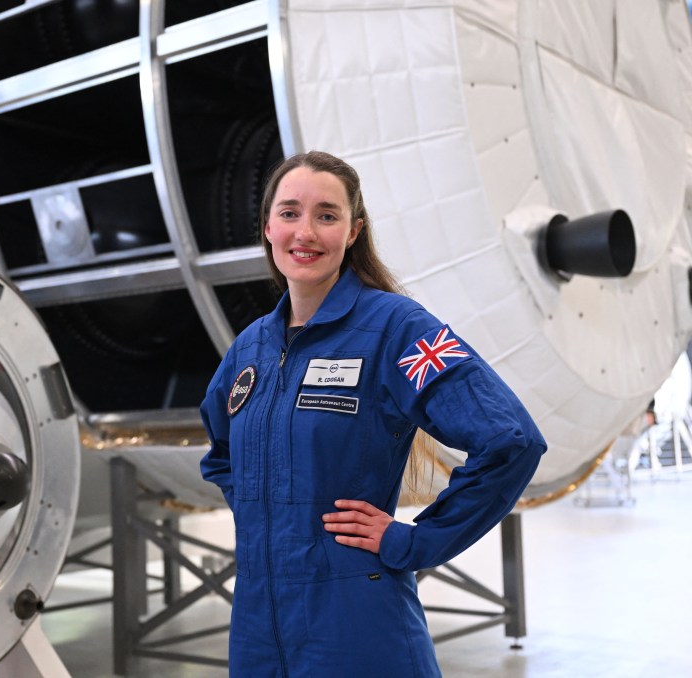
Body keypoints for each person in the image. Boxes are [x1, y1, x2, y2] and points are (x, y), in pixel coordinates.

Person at [199, 150, 546, 677]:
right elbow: (222, 456)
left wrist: (416, 540)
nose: (306, 232)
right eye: (290, 213)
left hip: (355, 627)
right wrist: (267, 516)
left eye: (328, 216)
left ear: (354, 231)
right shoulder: (249, 350)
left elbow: (511, 440)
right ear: (267, 227)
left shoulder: (396, 328)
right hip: (256, 631)